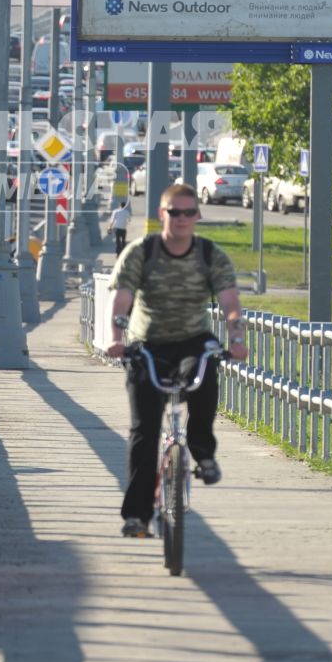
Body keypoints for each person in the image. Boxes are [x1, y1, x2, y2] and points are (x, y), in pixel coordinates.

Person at [102, 184, 247, 539]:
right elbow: (121, 300)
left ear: (197, 216)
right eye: (173, 212)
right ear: (161, 214)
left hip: (192, 339)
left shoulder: (210, 255)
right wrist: (116, 339)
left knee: (205, 376)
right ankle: (136, 515)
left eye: (188, 212)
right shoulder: (142, 251)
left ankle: (203, 452)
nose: (181, 219)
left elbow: (229, 302)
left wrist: (237, 339)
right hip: (147, 343)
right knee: (144, 430)